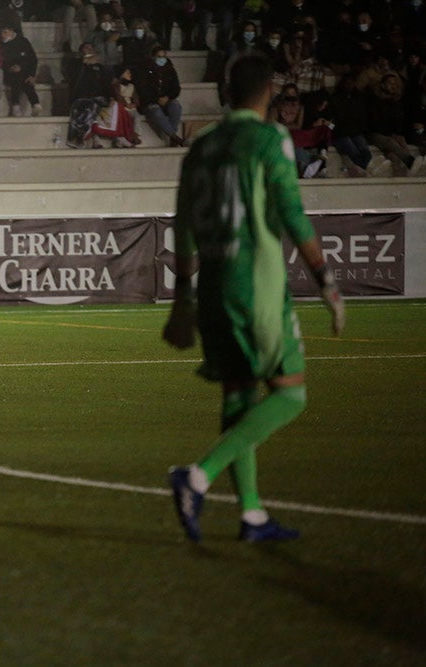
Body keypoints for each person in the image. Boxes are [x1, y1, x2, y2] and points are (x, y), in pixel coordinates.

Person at [163, 53, 345, 544]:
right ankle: (197, 476)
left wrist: (182, 301)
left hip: (214, 289)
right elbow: (291, 210)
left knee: (240, 396)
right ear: (268, 92)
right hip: (258, 287)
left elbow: (181, 225)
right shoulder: (270, 139)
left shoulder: (202, 146)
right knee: (290, 392)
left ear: (226, 91)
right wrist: (326, 281)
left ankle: (252, 514)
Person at [134, 45, 184, 146]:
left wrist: (167, 97)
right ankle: (175, 138)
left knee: (175, 105)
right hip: (149, 102)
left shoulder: (170, 70)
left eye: (163, 56)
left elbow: (176, 88)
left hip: (166, 100)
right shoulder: (145, 70)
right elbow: (143, 90)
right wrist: (156, 99)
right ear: (153, 57)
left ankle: (172, 137)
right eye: (159, 56)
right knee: (155, 110)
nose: (161, 59)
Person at [0, 23, 41, 116]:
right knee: (18, 77)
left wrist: (32, 75)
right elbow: (1, 61)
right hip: (8, 73)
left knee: (25, 79)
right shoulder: (0, 44)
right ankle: (34, 103)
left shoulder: (23, 42)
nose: (3, 35)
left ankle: (17, 105)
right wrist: (11, 68)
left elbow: (32, 59)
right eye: (1, 32)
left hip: (24, 72)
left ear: (12, 32)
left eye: (5, 32)